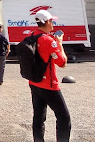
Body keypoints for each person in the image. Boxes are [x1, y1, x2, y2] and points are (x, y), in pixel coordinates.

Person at [29, 9, 70, 142]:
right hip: (49, 85)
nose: (53, 24)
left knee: (38, 117)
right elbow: (62, 62)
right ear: (46, 22)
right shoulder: (48, 40)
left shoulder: (32, 35)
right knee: (63, 117)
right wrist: (59, 43)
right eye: (52, 21)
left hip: (34, 82)